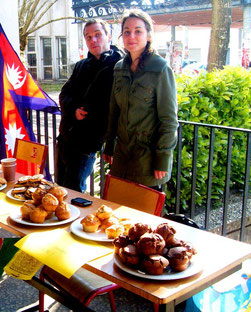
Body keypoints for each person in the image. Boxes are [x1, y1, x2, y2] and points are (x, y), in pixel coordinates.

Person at [103, 9, 179, 189]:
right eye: (127, 32)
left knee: (144, 215)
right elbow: (114, 111)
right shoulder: (119, 68)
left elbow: (169, 120)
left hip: (148, 159)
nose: (132, 36)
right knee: (118, 211)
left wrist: (163, 158)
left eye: (138, 31)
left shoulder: (160, 68)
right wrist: (109, 145)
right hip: (122, 156)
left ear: (149, 35)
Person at [55, 19, 124, 193]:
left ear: (108, 36)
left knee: (73, 192)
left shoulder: (119, 68)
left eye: (98, 35)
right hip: (64, 138)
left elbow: (116, 107)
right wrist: (73, 110)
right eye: (88, 37)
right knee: (59, 190)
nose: (93, 40)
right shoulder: (81, 66)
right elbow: (64, 94)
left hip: (87, 144)